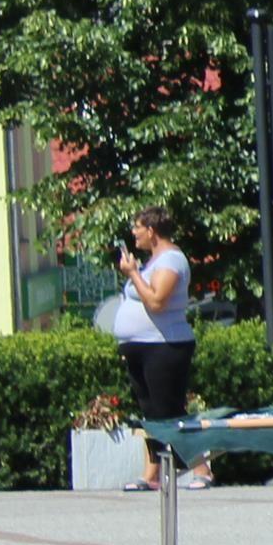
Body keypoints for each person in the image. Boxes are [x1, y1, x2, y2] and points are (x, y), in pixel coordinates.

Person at [110, 208, 198, 490]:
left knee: (169, 410)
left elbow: (157, 300)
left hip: (165, 345)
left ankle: (202, 468)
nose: (133, 234)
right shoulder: (153, 262)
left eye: (138, 228)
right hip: (142, 347)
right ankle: (152, 474)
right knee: (151, 413)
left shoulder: (171, 259)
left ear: (152, 231)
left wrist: (133, 273)